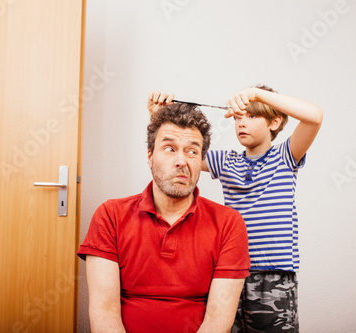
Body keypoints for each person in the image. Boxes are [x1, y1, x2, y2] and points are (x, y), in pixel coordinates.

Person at [148, 86, 323, 332]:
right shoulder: (226, 161)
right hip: (230, 274)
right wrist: (157, 116)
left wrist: (256, 94)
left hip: (274, 274)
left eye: (251, 116)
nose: (242, 123)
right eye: (239, 117)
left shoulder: (285, 156)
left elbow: (314, 116)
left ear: (275, 122)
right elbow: (182, 155)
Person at [77, 102, 251, 333]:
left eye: (192, 151)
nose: (181, 161)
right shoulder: (110, 215)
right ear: (150, 157)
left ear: (200, 161)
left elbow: (218, 319)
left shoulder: (228, 223)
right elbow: (104, 310)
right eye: (169, 148)